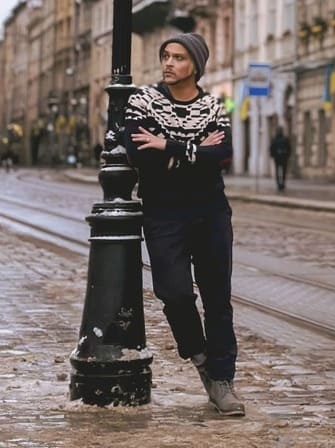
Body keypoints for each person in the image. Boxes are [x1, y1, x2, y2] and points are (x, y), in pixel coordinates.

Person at [124, 32, 244, 417]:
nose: (168, 63)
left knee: (217, 301)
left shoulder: (212, 105)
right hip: (163, 214)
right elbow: (140, 155)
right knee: (174, 293)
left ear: (196, 64)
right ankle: (199, 356)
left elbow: (223, 154)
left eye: (177, 57)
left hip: (210, 212)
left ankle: (222, 382)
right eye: (165, 56)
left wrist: (170, 147)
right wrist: (195, 151)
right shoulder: (143, 100)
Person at [269, 126, 291, 191]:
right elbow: (289, 148)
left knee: (278, 171)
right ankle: (282, 184)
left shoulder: (275, 139)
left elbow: (271, 148)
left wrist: (273, 155)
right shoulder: (285, 139)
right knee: (283, 171)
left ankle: (279, 184)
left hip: (278, 158)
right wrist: (287, 155)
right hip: (283, 158)